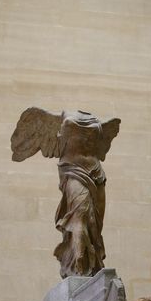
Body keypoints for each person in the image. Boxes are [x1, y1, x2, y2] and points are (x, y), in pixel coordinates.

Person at [11, 107, 120, 278]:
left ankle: (91, 265)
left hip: (97, 174)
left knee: (94, 225)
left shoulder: (96, 122)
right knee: (80, 218)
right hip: (74, 173)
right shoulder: (62, 120)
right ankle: (79, 264)